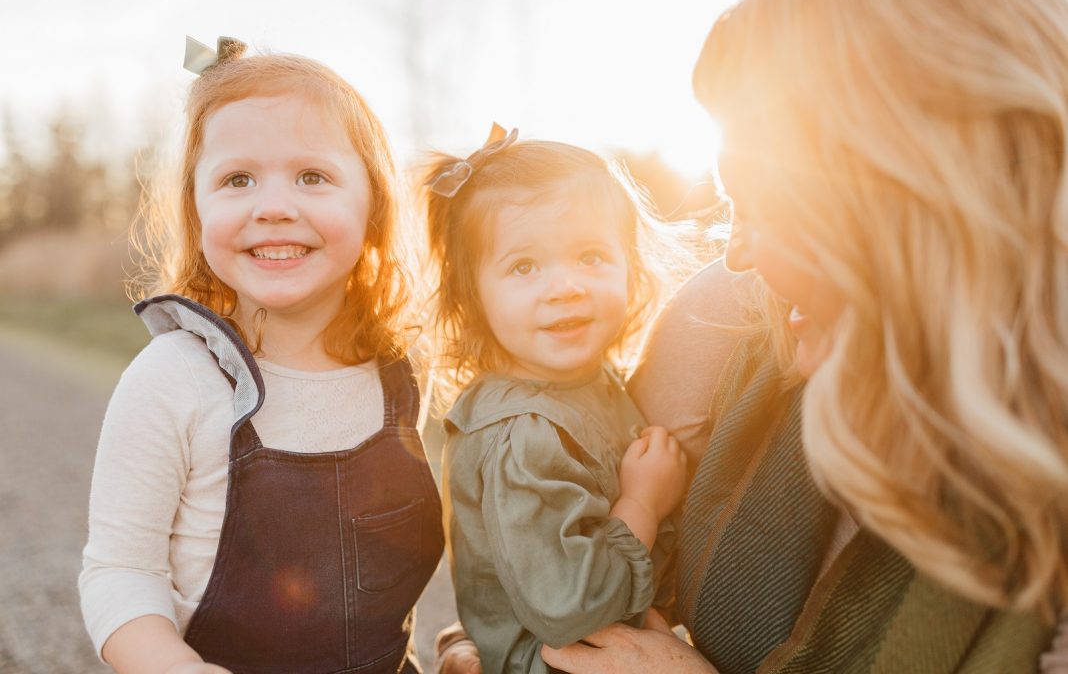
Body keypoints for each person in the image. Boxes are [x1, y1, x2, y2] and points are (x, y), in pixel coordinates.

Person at [540, 0, 1068, 672]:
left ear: (905, 202)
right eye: (730, 209)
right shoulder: (733, 322)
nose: (737, 254)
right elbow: (553, 546)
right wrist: (479, 642)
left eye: (760, 206)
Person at [78, 37, 444, 674]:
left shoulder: (398, 373)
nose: (274, 207)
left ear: (374, 206)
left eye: (312, 176)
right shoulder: (175, 378)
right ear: (196, 212)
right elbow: (119, 571)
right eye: (237, 179)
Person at [421, 125, 692, 673]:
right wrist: (642, 502)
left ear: (630, 264)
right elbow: (570, 609)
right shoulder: (523, 432)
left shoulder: (592, 381)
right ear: (473, 297)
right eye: (524, 267)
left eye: (591, 256)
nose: (566, 286)